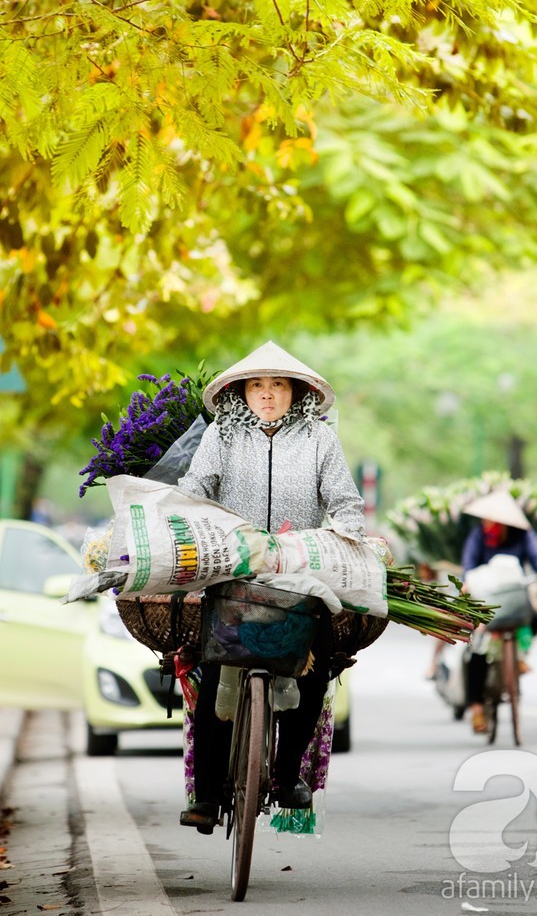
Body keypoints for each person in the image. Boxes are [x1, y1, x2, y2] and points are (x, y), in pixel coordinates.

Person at [177, 340, 365, 832]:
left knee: (313, 670)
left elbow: (344, 501)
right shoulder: (222, 434)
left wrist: (347, 534)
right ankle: (207, 792)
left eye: (277, 384)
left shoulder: (319, 439)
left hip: (299, 574)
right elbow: (195, 489)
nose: (266, 394)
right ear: (241, 392)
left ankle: (286, 778)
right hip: (233, 572)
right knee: (215, 673)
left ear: (296, 392)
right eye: (257, 385)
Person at [460, 490, 537, 734]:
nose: (488, 525)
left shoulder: (523, 536)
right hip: (485, 599)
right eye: (486, 520)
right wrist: (466, 583)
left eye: (492, 521)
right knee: (477, 648)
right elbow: (468, 565)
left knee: (535, 615)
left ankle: (521, 655)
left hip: (513, 598)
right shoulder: (478, 537)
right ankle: (477, 707)